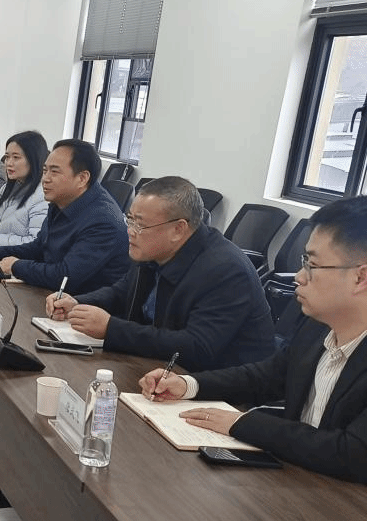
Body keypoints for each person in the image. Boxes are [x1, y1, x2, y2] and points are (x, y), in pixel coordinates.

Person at [140, 195, 367, 484]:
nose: (299, 276)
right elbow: (265, 377)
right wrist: (188, 385)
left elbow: (352, 453)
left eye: (312, 265)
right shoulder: (318, 327)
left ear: (361, 277)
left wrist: (242, 423)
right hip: (299, 481)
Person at [46, 177, 274, 371]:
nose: (130, 231)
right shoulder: (154, 250)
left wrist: (111, 329)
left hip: (215, 388)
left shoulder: (225, 271)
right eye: (129, 219)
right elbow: (122, 292)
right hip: (159, 370)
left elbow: (197, 347)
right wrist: (77, 303)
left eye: (140, 225)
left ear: (178, 229)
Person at [0, 139, 128, 295]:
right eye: (45, 170)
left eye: (54, 172)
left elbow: (66, 276)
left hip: (82, 304)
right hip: (51, 296)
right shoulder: (62, 200)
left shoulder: (102, 220)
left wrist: (16, 266)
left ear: (82, 178)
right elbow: (40, 246)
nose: (45, 179)